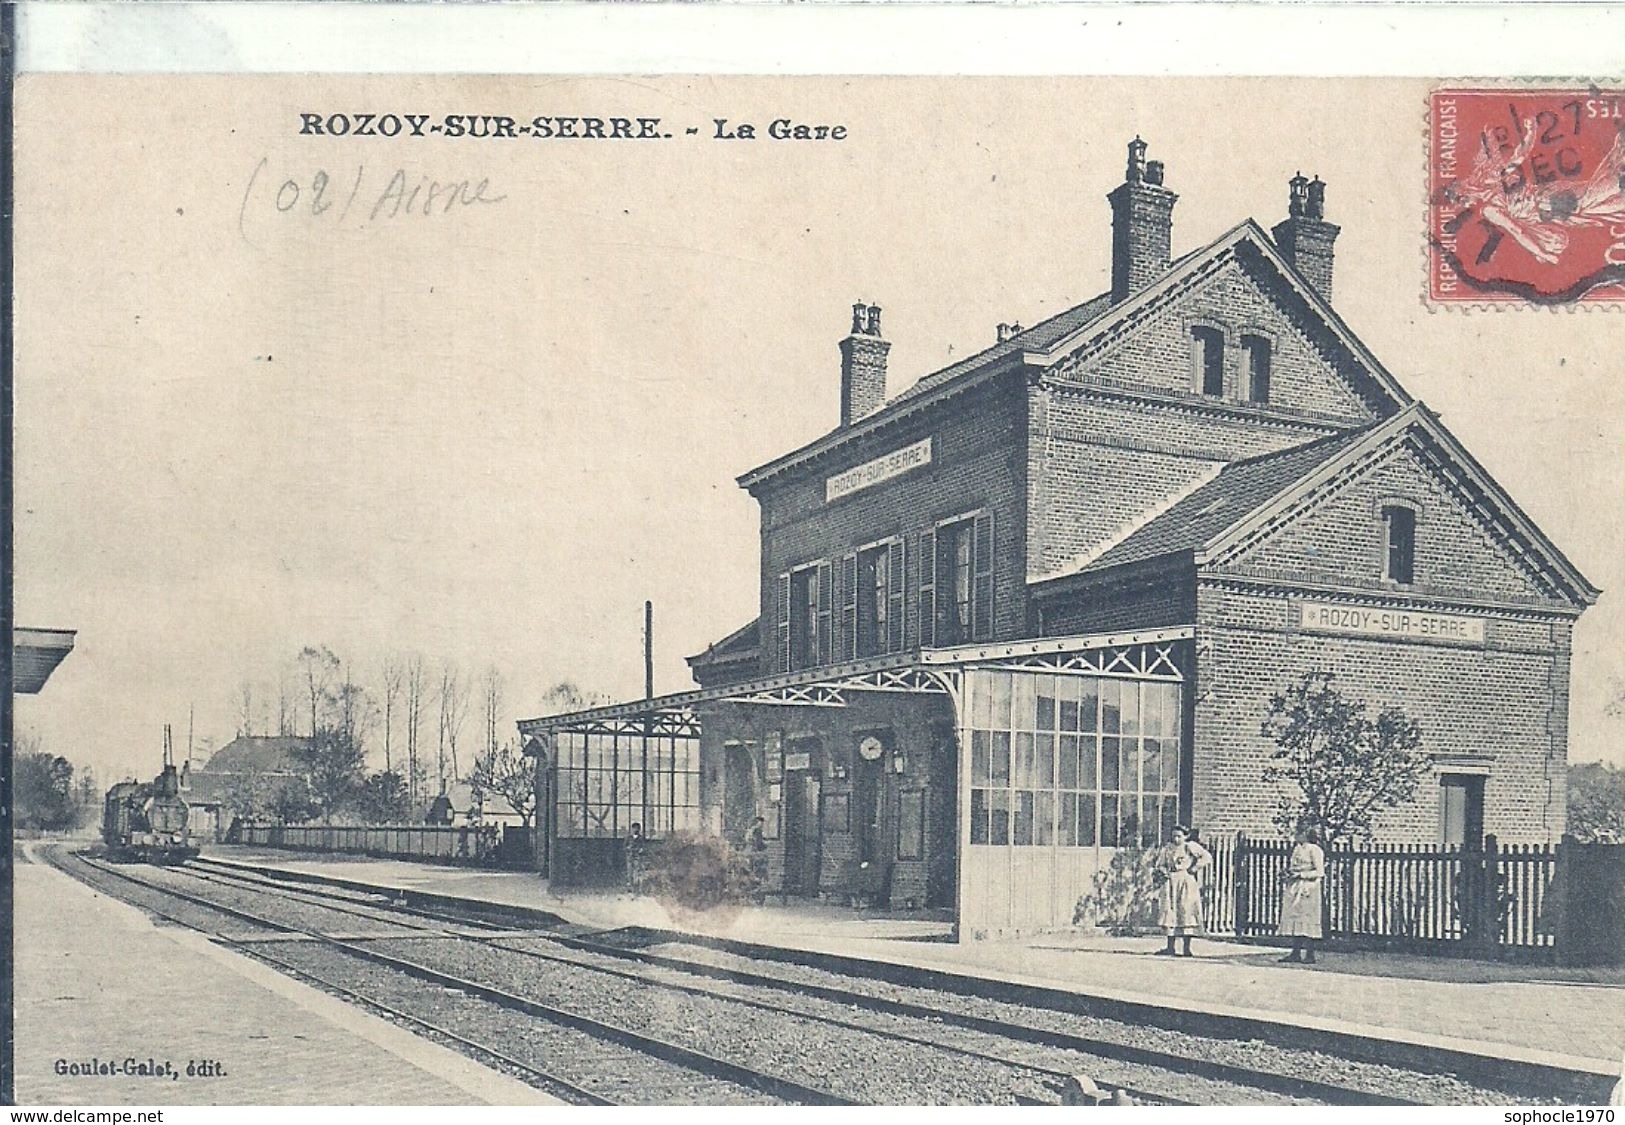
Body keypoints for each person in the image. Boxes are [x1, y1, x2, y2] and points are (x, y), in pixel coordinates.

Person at [1155, 824, 1212, 957]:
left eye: (1179, 836)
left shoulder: (1189, 846)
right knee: (1170, 911)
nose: (1176, 839)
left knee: (1186, 911)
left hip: (1186, 881)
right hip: (1171, 881)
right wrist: (1164, 871)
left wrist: (1194, 868)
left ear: (1185, 836)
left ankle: (1187, 948)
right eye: (1174, 836)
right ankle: (1170, 947)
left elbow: (1206, 857)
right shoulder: (1167, 849)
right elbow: (1160, 864)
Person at [1278, 821, 1326, 963]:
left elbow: (1320, 872)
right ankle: (1296, 952)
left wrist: (1301, 875)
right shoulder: (1297, 849)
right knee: (1296, 918)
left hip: (1309, 889)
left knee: (1308, 919)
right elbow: (1295, 867)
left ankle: (1310, 954)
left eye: (1298, 833)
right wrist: (1288, 873)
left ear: (1305, 834)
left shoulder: (1315, 850)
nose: (1295, 836)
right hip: (1295, 888)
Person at [747, 815, 769, 903]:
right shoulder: (757, 830)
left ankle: (755, 893)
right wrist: (765, 846)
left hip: (752, 853)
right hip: (756, 854)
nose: (762, 824)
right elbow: (758, 843)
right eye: (761, 823)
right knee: (758, 872)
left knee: (754, 871)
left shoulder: (752, 830)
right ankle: (756, 894)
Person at [625, 822, 646, 894]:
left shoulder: (641, 838)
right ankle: (629, 887)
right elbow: (624, 846)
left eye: (637, 828)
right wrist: (628, 849)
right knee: (629, 872)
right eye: (634, 828)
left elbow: (643, 847)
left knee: (637, 872)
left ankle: (636, 887)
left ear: (639, 829)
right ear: (632, 829)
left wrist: (640, 850)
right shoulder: (628, 837)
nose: (636, 830)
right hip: (630, 857)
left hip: (637, 857)